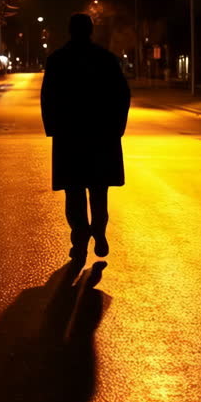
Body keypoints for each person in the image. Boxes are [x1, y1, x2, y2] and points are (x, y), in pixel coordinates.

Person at [40, 13, 131, 259]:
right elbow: (123, 96)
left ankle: (80, 239)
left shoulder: (57, 60)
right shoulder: (106, 59)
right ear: (91, 31)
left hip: (70, 137)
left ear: (70, 31)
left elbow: (47, 98)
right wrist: (117, 128)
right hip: (101, 137)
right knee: (99, 192)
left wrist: (53, 128)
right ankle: (99, 233)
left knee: (74, 192)